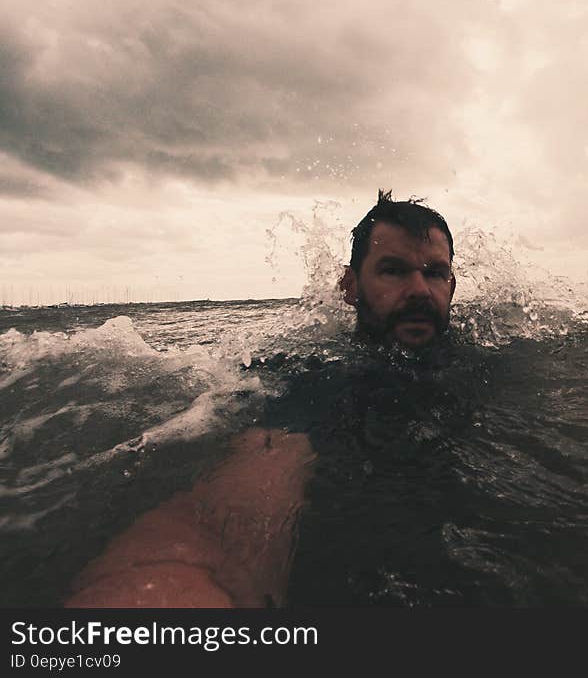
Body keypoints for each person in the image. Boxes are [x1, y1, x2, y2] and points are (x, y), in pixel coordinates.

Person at [65, 191, 456, 607]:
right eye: (393, 270)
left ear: (452, 284)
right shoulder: (317, 376)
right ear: (350, 286)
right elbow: (230, 517)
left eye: (434, 273)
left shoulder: (494, 351)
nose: (419, 290)